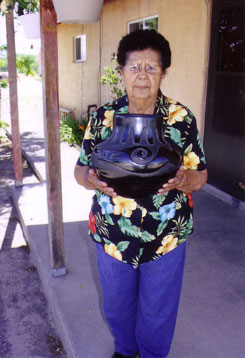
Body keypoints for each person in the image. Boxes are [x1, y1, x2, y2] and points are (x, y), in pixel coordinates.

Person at [74, 29, 208, 358]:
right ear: (121, 72)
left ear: (163, 72)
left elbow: (201, 174)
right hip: (113, 232)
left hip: (166, 235)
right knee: (118, 306)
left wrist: (183, 181)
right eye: (135, 67)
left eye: (152, 67)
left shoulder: (181, 119)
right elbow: (80, 169)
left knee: (158, 310)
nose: (143, 75)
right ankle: (125, 350)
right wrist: (91, 179)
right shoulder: (102, 117)